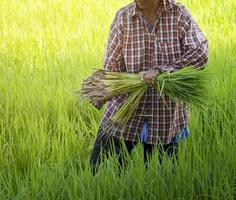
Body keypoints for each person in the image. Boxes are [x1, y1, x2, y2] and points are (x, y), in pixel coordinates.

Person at [89, 0, 208, 176]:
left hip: (165, 115)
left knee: (159, 178)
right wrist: (105, 89)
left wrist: (162, 71)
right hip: (125, 109)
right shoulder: (123, 18)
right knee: (99, 170)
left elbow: (200, 52)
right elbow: (111, 66)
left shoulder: (179, 14)